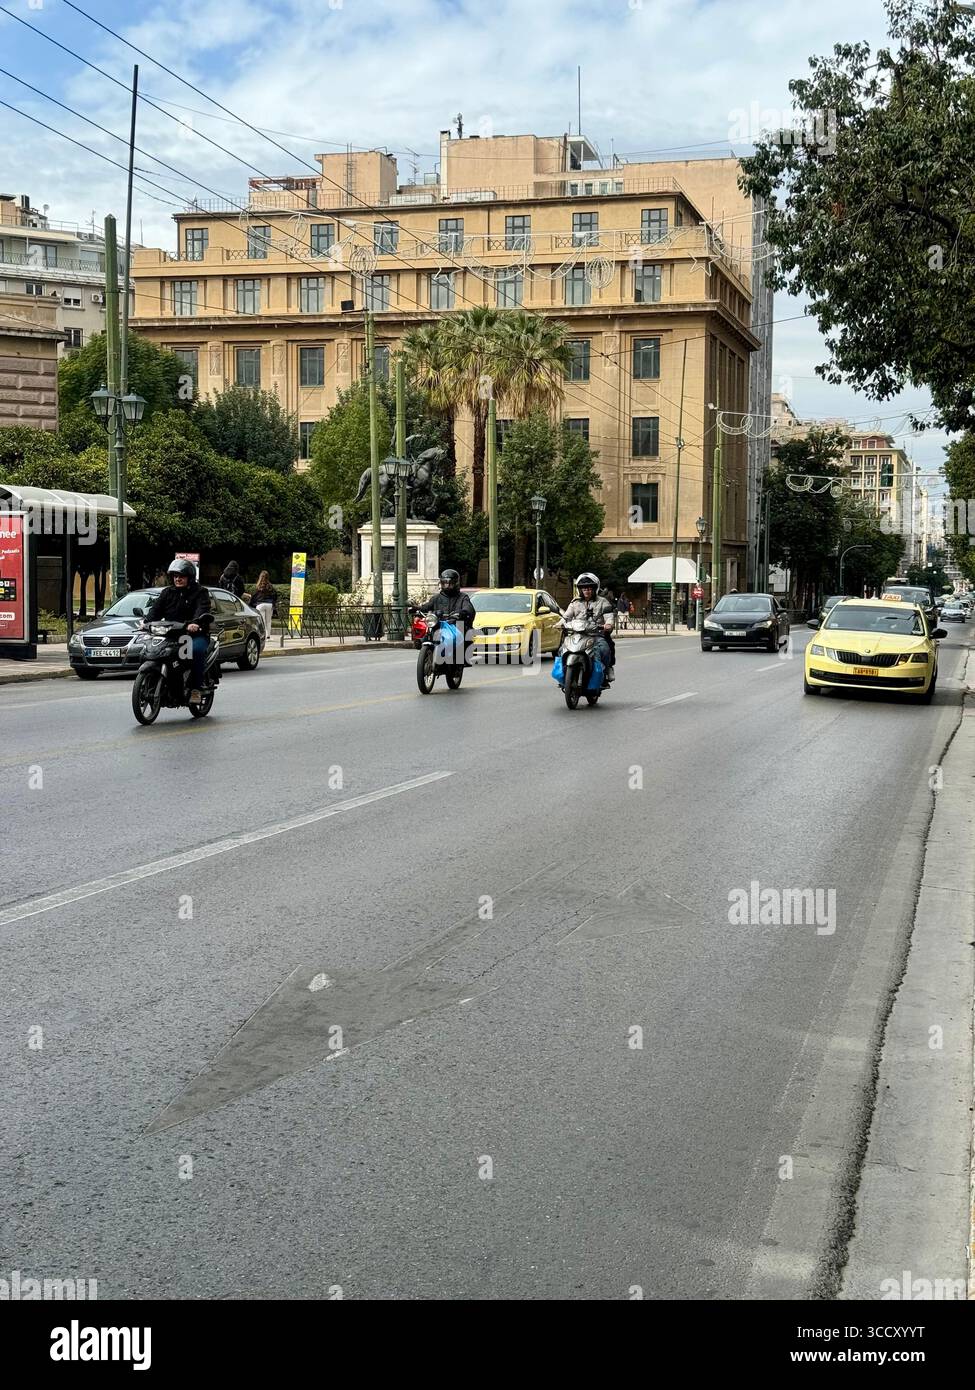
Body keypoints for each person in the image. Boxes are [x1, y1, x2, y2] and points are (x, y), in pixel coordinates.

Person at [142, 558, 214, 704]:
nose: (178, 579)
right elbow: (155, 610)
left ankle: (196, 689)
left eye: (181, 576)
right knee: (153, 651)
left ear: (190, 577)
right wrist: (145, 622)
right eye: (175, 576)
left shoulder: (200, 592)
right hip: (172, 634)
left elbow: (202, 609)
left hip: (193, 635)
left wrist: (195, 623)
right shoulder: (167, 593)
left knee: (195, 651)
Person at [561, 571, 616, 684]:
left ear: (595, 589)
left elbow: (609, 617)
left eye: (590, 588)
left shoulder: (603, 602)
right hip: (577, 635)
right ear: (580, 590)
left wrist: (608, 624)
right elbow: (566, 616)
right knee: (562, 649)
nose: (587, 591)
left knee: (605, 648)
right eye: (584, 588)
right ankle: (564, 673)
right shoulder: (575, 602)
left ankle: (607, 669)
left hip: (596, 635)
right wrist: (559, 623)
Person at [418, 569, 477, 662]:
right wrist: (417, 609)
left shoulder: (462, 597)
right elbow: (427, 606)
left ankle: (459, 660)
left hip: (455, 624)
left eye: (450, 583)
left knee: (461, 635)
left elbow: (468, 608)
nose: (447, 586)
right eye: (445, 583)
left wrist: (462, 612)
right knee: (426, 635)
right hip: (439, 624)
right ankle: (428, 653)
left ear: (456, 583)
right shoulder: (436, 598)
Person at [249, 570, 278, 636]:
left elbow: (254, 597)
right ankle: (268, 636)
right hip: (269, 604)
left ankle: (263, 635)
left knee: (262, 621)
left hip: (260, 605)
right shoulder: (270, 586)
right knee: (269, 621)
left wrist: (251, 604)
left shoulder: (258, 586)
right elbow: (275, 595)